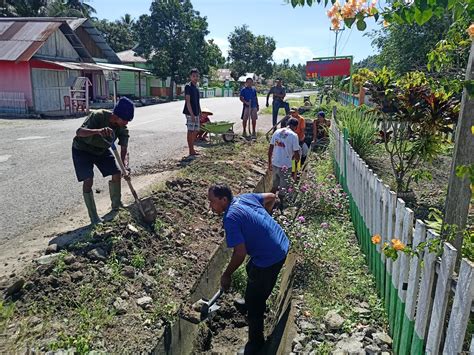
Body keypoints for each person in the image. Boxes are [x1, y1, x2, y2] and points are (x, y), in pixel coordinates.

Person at [208, 183, 289, 354]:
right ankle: (252, 300)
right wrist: (265, 219)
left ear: (224, 200)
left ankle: (256, 344)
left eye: (212, 201)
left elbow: (240, 253)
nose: (210, 206)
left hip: (270, 257)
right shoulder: (244, 198)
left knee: (255, 302)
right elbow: (272, 197)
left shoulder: (230, 218)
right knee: (252, 267)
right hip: (281, 242)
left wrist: (227, 275)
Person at [72, 97, 134, 225]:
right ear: (116, 115)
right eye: (125, 120)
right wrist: (98, 131)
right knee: (88, 180)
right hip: (82, 150)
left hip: (101, 150)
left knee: (117, 173)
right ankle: (94, 217)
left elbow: (124, 149)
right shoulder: (98, 116)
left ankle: (117, 205)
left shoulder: (122, 128)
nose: (126, 123)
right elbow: (79, 132)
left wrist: (124, 167)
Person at [268, 118, 301, 193]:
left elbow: (270, 149)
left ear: (287, 124)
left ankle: (270, 202)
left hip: (275, 163)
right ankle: (281, 203)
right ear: (296, 127)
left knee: (274, 186)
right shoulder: (294, 135)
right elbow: (296, 152)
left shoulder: (277, 132)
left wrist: (269, 163)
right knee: (283, 189)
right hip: (285, 166)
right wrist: (298, 162)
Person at [183, 68, 201, 156]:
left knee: (196, 130)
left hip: (197, 112)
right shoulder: (188, 87)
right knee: (190, 130)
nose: (195, 78)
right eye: (193, 76)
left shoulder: (196, 87)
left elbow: (197, 101)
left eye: (197, 76)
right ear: (190, 77)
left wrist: (200, 112)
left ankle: (192, 148)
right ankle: (191, 150)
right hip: (190, 113)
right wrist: (192, 114)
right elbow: (188, 101)